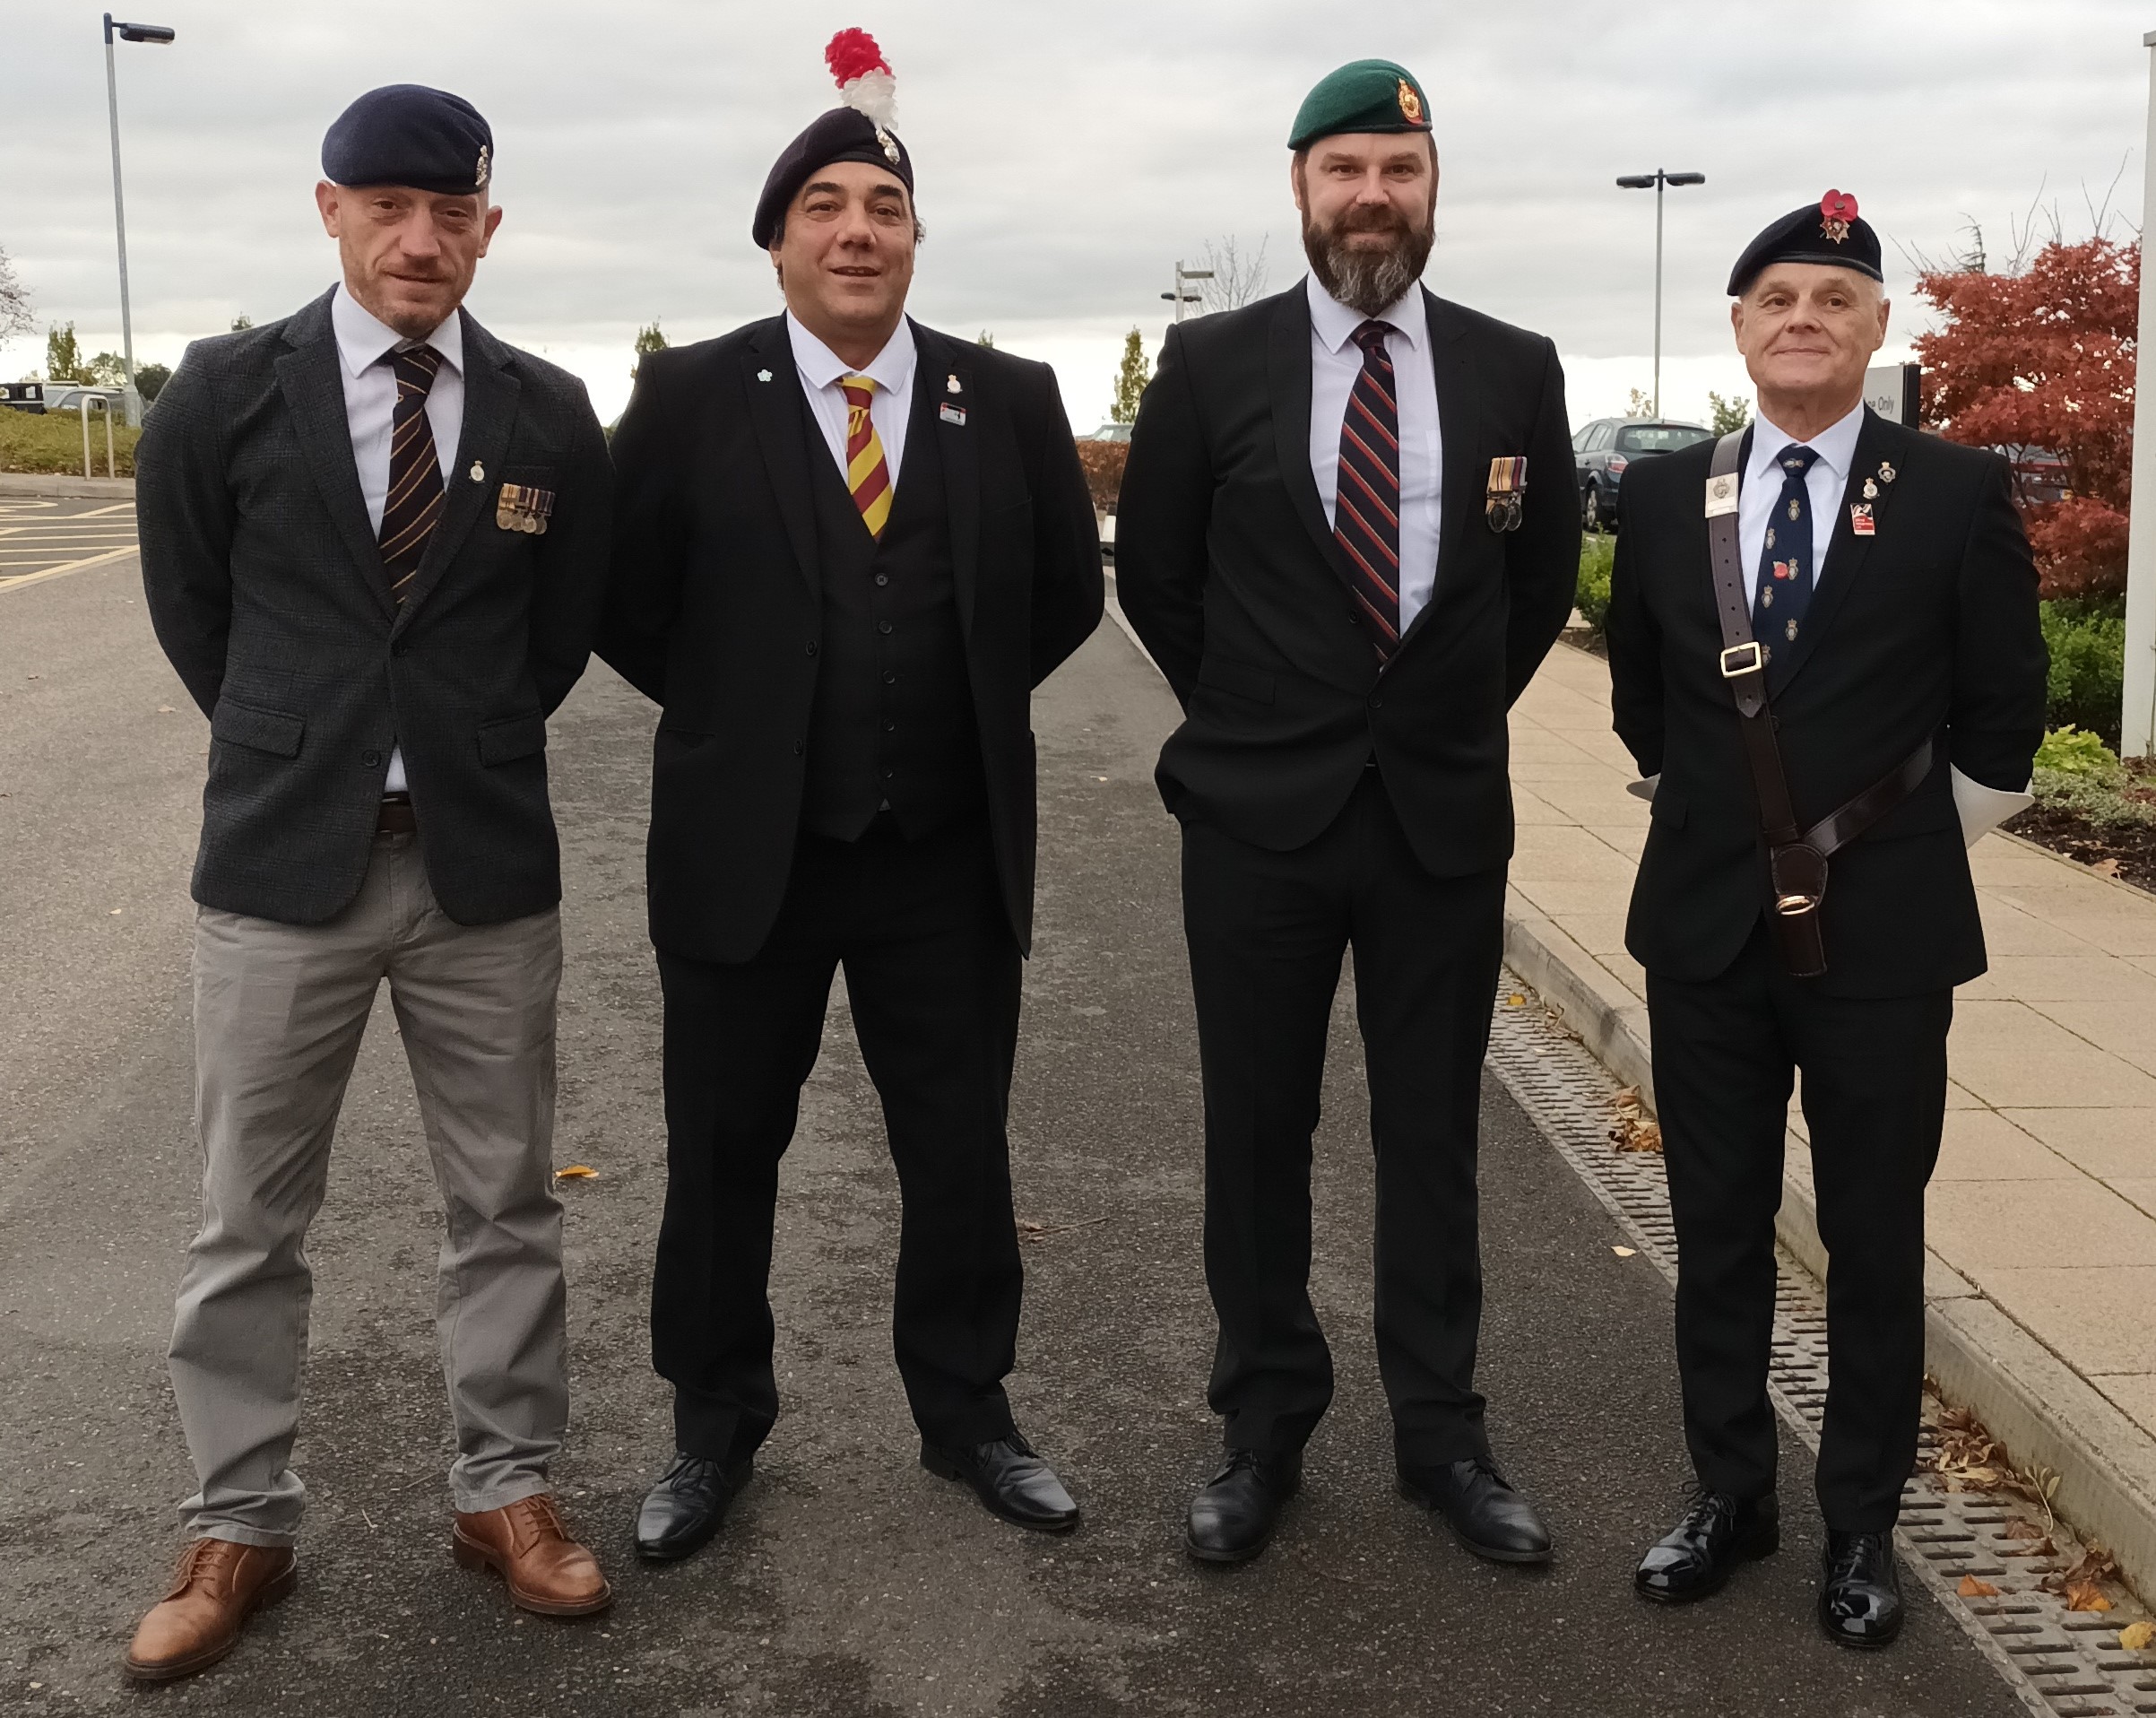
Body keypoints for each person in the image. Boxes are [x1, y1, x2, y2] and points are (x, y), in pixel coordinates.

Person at [126, 84, 616, 1681]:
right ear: (327, 209)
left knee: (504, 1206)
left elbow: (551, 642)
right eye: (388, 208)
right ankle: (238, 1523)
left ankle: (507, 1492)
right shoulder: (222, 395)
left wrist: (445, 746)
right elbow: (199, 611)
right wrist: (311, 748)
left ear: (488, 223)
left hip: (482, 877)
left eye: (452, 212)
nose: (422, 241)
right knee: (246, 1222)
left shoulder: (546, 412)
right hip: (283, 875)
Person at [599, 30, 1103, 1563]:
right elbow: (627, 601)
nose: (855, 231)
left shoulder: (1003, 398)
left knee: (957, 1149)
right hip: (749, 851)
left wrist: (934, 714)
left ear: (913, 240)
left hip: (942, 861)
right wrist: (750, 714)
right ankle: (713, 1425)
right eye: (822, 205)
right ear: (776, 241)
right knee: (723, 1148)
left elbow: (1062, 600)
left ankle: (967, 1416)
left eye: (881, 206)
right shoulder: (687, 396)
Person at [1115, 58, 1578, 1568]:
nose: (1372, 195)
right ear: (1300, 187)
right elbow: (1160, 583)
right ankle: (1261, 1430)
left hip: (1436, 820)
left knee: (1432, 1135)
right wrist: (1267, 716)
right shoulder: (1209, 365)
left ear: (1431, 188)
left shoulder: (1515, 367)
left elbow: (1532, 590)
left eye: (1399, 169)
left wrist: (1427, 724)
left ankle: (1441, 1435)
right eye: (1344, 170)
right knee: (1258, 1131)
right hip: (1259, 822)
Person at [1604, 192, 2046, 1647]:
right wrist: (1740, 842)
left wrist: (1883, 853)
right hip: (1706, 938)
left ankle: (1860, 1524)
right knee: (1713, 1228)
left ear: (1874, 329)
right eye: (1775, 296)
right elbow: (1646, 709)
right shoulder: (1672, 496)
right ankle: (1730, 1494)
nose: (1802, 317)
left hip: (1882, 942)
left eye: (1833, 298)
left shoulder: (1956, 489)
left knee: (1871, 1232)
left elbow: (2001, 725)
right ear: (1736, 327)